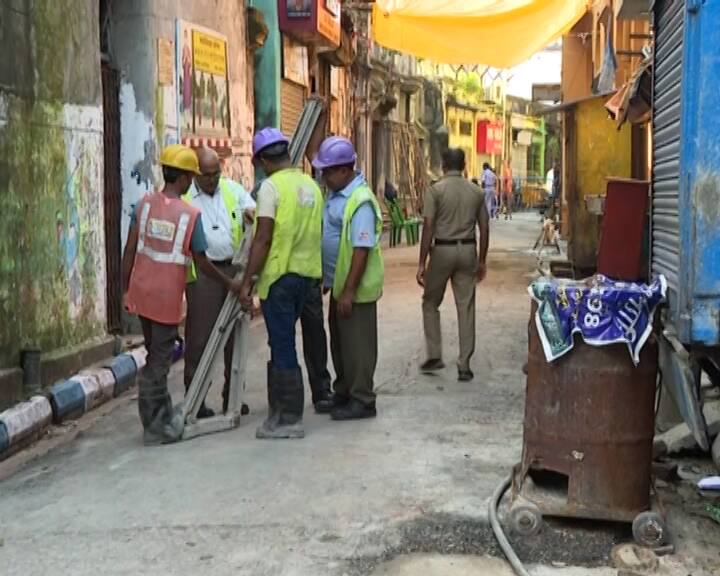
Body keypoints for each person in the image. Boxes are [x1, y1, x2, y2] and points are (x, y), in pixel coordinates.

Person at [122, 144, 243, 445]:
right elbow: (203, 262)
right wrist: (230, 284)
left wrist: (124, 289)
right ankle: (155, 424)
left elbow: (129, 250)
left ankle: (157, 416)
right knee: (159, 362)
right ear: (186, 178)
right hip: (165, 299)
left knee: (154, 355)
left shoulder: (145, 205)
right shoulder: (190, 215)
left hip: (142, 293)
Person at [239, 128, 323, 439]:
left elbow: (263, 238)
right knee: (283, 342)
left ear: (261, 160)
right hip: (307, 276)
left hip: (280, 277)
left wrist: (247, 281)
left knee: (283, 344)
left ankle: (288, 418)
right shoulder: (311, 185)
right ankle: (279, 413)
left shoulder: (270, 189)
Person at [312, 137, 385, 420]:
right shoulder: (338, 193)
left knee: (358, 348)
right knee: (341, 345)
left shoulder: (361, 201)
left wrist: (349, 291)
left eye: (327, 172)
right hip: (339, 286)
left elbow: (360, 250)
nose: (323, 177)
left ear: (344, 170)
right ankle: (343, 391)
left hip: (355, 292)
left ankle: (363, 399)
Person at [182, 147, 255, 418]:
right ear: (195, 174)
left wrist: (252, 214)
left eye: (216, 174)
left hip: (233, 269)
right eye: (206, 175)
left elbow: (252, 210)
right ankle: (196, 398)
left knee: (235, 336)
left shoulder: (232, 190)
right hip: (203, 274)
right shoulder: (187, 197)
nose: (212, 180)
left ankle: (233, 396)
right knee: (200, 338)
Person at [417, 148, 490, 382]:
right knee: (466, 306)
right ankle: (464, 364)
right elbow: (485, 228)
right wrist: (482, 260)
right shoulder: (476, 192)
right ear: (464, 165)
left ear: (443, 165)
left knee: (430, 301)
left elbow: (428, 227)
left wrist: (422, 263)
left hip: (442, 249)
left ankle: (435, 354)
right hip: (468, 249)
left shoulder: (435, 190)